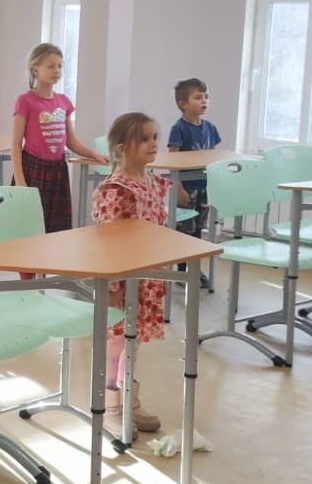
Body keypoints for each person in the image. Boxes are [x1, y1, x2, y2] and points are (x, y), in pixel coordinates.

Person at [90, 111, 167, 439]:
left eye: (154, 138)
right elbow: (110, 244)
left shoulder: (152, 182)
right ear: (122, 149)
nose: (153, 144)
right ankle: (110, 407)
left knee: (135, 341)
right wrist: (115, 285)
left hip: (147, 277)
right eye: (144, 139)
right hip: (122, 278)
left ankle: (129, 401)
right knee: (117, 341)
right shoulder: (116, 189)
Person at [11, 42, 103, 233]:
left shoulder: (64, 101)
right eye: (51, 66)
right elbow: (16, 143)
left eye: (60, 66)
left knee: (56, 226)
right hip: (33, 169)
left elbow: (71, 141)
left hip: (58, 170)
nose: (57, 70)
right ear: (35, 69)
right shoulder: (25, 101)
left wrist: (95, 155)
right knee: (30, 224)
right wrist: (20, 180)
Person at [167, 77, 220, 287]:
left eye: (206, 97)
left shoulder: (210, 128)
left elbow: (213, 158)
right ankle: (182, 273)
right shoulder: (179, 129)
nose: (204, 101)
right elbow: (173, 162)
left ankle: (194, 270)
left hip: (204, 187)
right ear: (183, 104)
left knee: (198, 230)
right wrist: (178, 188)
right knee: (184, 230)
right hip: (186, 188)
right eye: (198, 97)